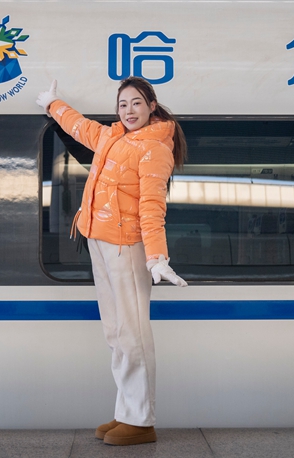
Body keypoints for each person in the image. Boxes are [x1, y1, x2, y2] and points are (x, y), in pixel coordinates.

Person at [36, 77, 188, 446]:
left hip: (127, 247)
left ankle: (141, 421)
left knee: (132, 333)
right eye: (123, 104)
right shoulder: (111, 136)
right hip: (99, 242)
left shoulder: (155, 148)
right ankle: (126, 411)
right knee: (115, 332)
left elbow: (152, 206)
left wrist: (157, 257)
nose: (129, 111)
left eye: (136, 103)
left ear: (152, 106)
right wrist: (53, 104)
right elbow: (79, 126)